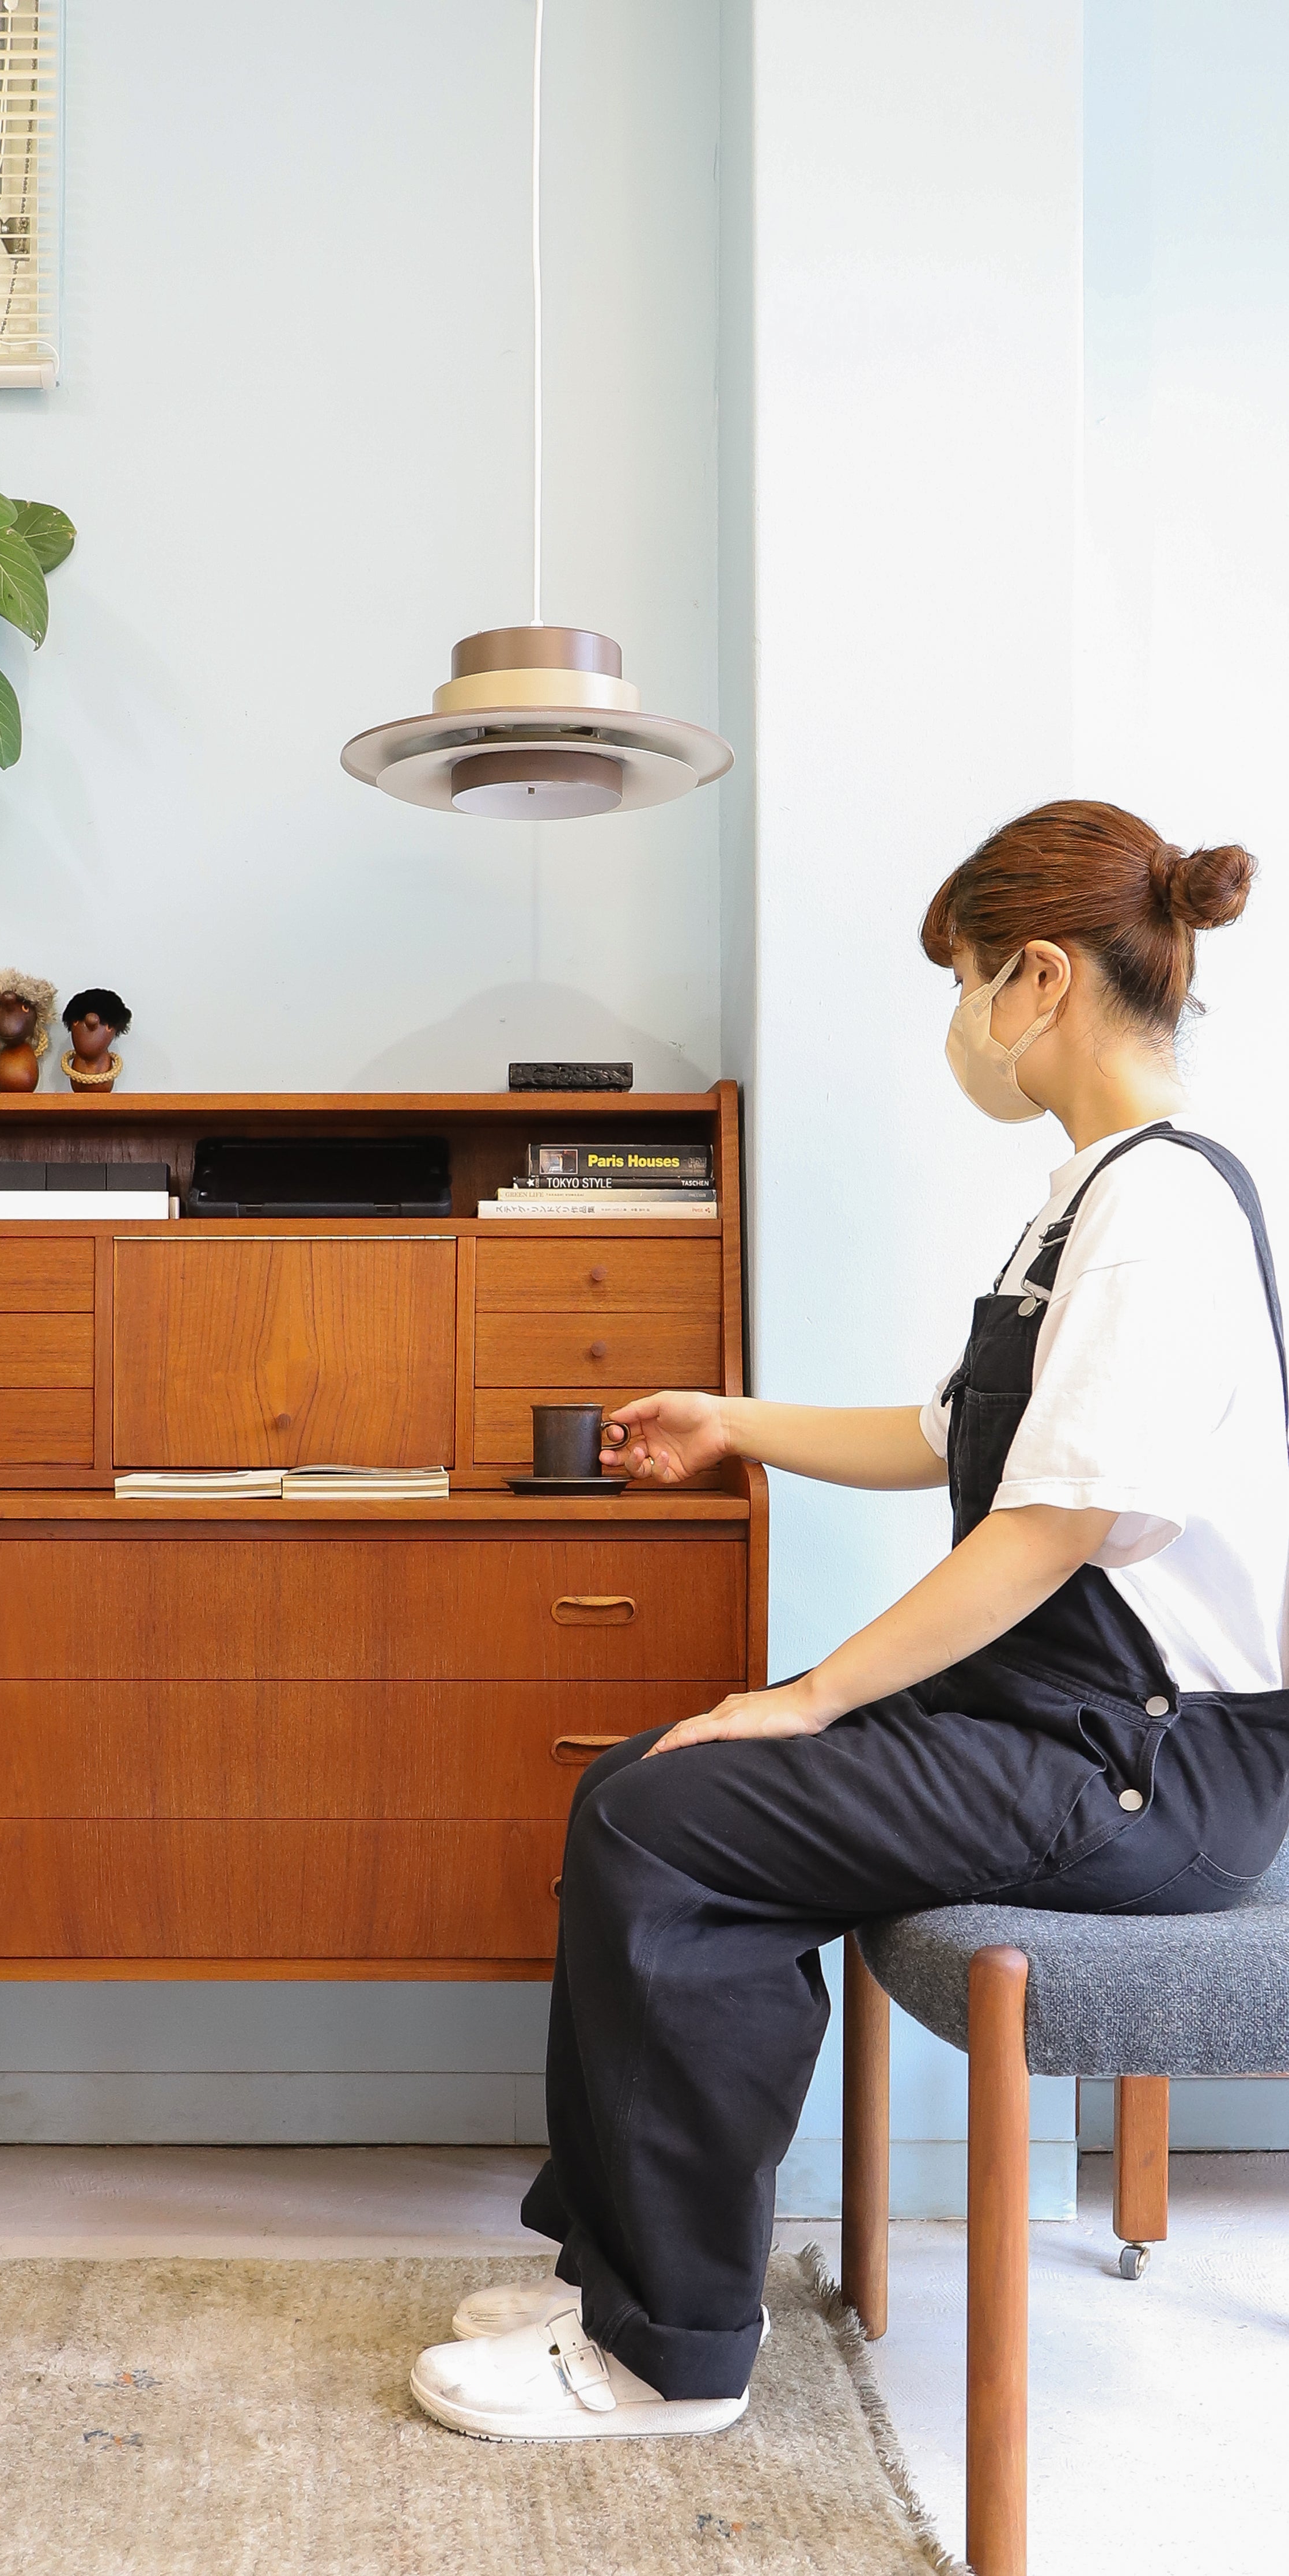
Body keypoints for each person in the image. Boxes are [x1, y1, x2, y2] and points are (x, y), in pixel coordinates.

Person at [411, 798, 1289, 2442]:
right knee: (640, 1785)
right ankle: (620, 2269)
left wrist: (811, 1699)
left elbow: (1051, 1530)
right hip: (1064, 1729)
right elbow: (946, 1436)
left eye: (964, 980)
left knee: (676, 1824)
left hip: (1154, 1768)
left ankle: (667, 2356)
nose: (960, 1023)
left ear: (1039, 977)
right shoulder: (1085, 1200)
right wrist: (734, 1421)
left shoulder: (1161, 1215)